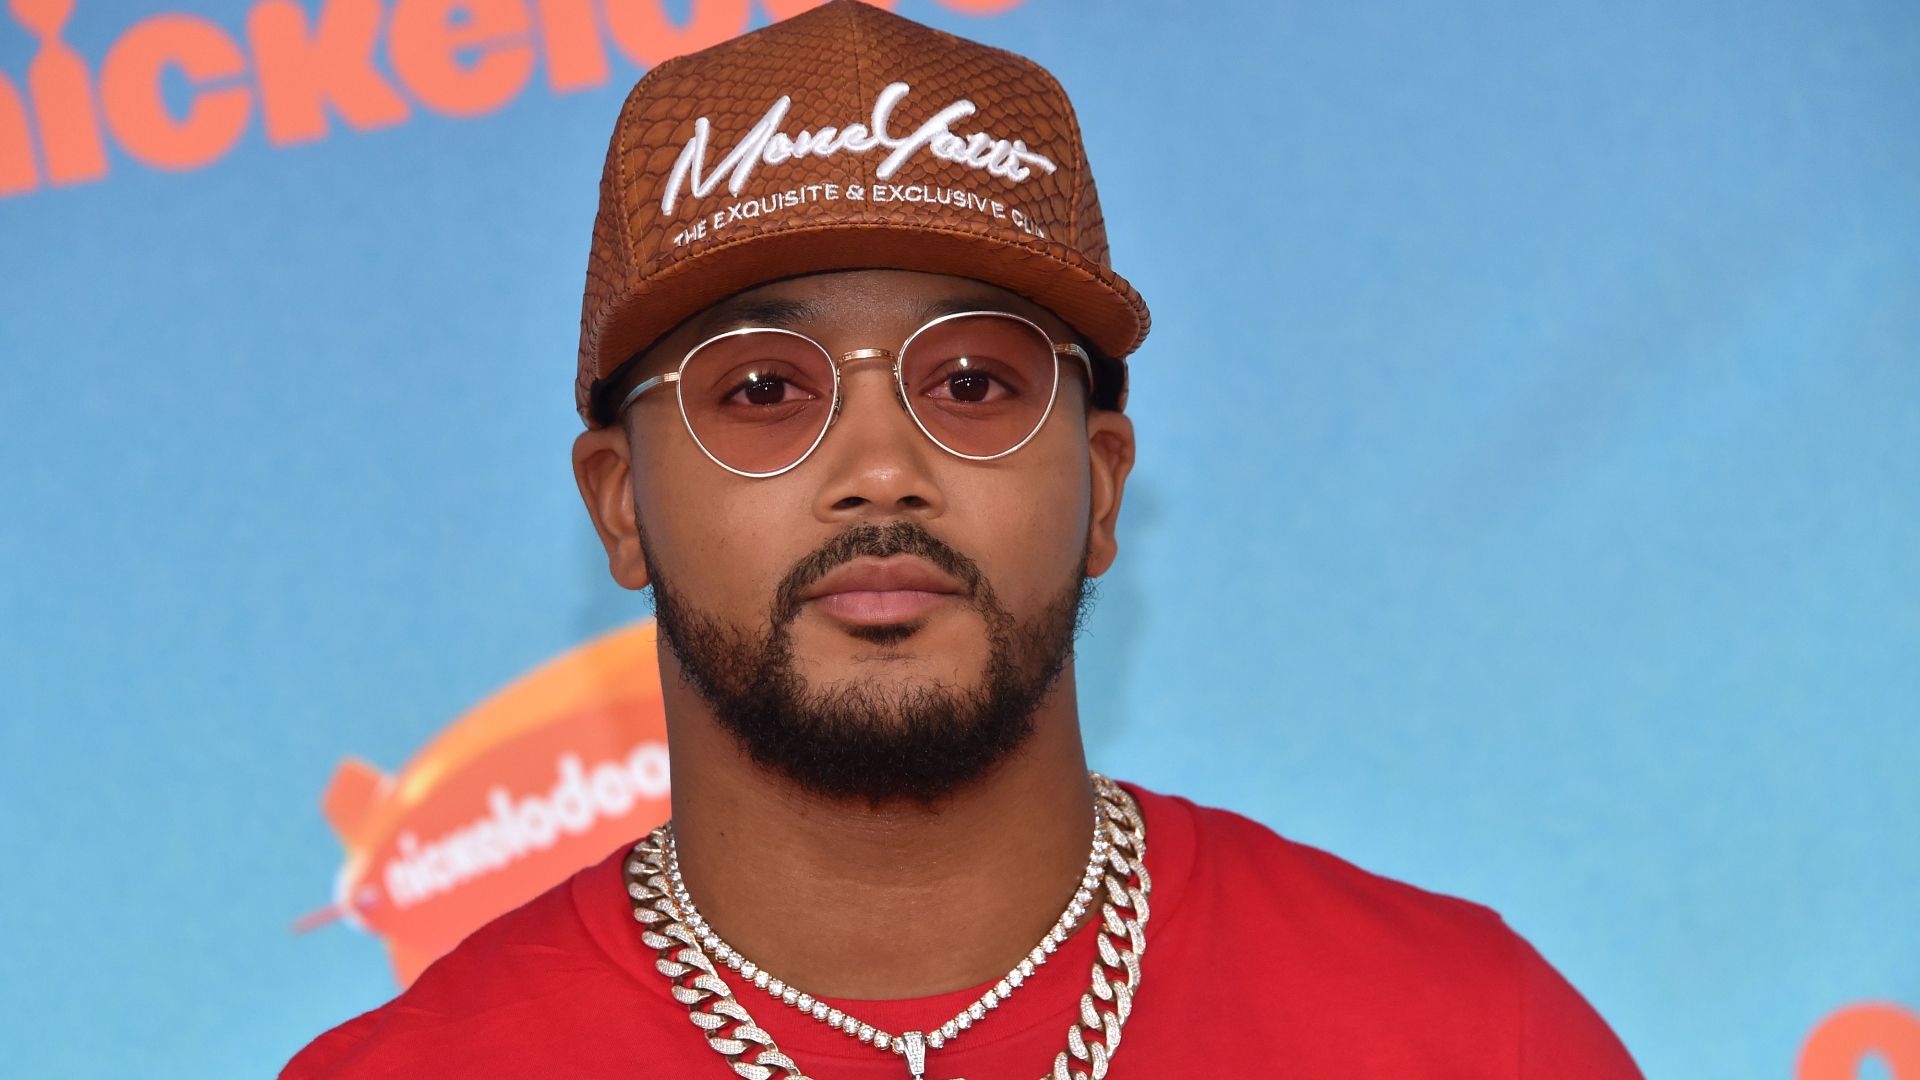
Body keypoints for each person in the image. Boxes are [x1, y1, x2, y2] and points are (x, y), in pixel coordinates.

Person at [284, 2, 1642, 1076]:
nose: (883, 468)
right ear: (620, 501)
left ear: (1103, 485)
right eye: (764, 392)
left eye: (974, 385)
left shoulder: (1463, 1037)